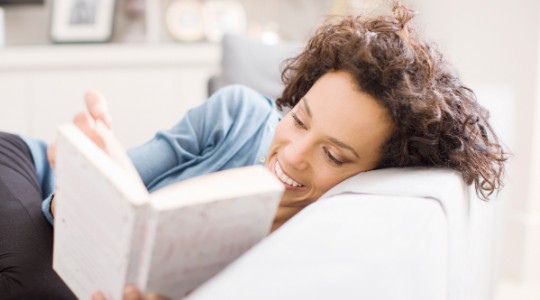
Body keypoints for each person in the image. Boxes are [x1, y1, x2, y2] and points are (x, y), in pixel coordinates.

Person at [0, 2, 506, 300]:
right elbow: (71, 207)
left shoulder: (318, 234)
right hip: (23, 166)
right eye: (299, 119)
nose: (291, 155)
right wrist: (88, 173)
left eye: (334, 156)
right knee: (33, 280)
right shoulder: (238, 115)